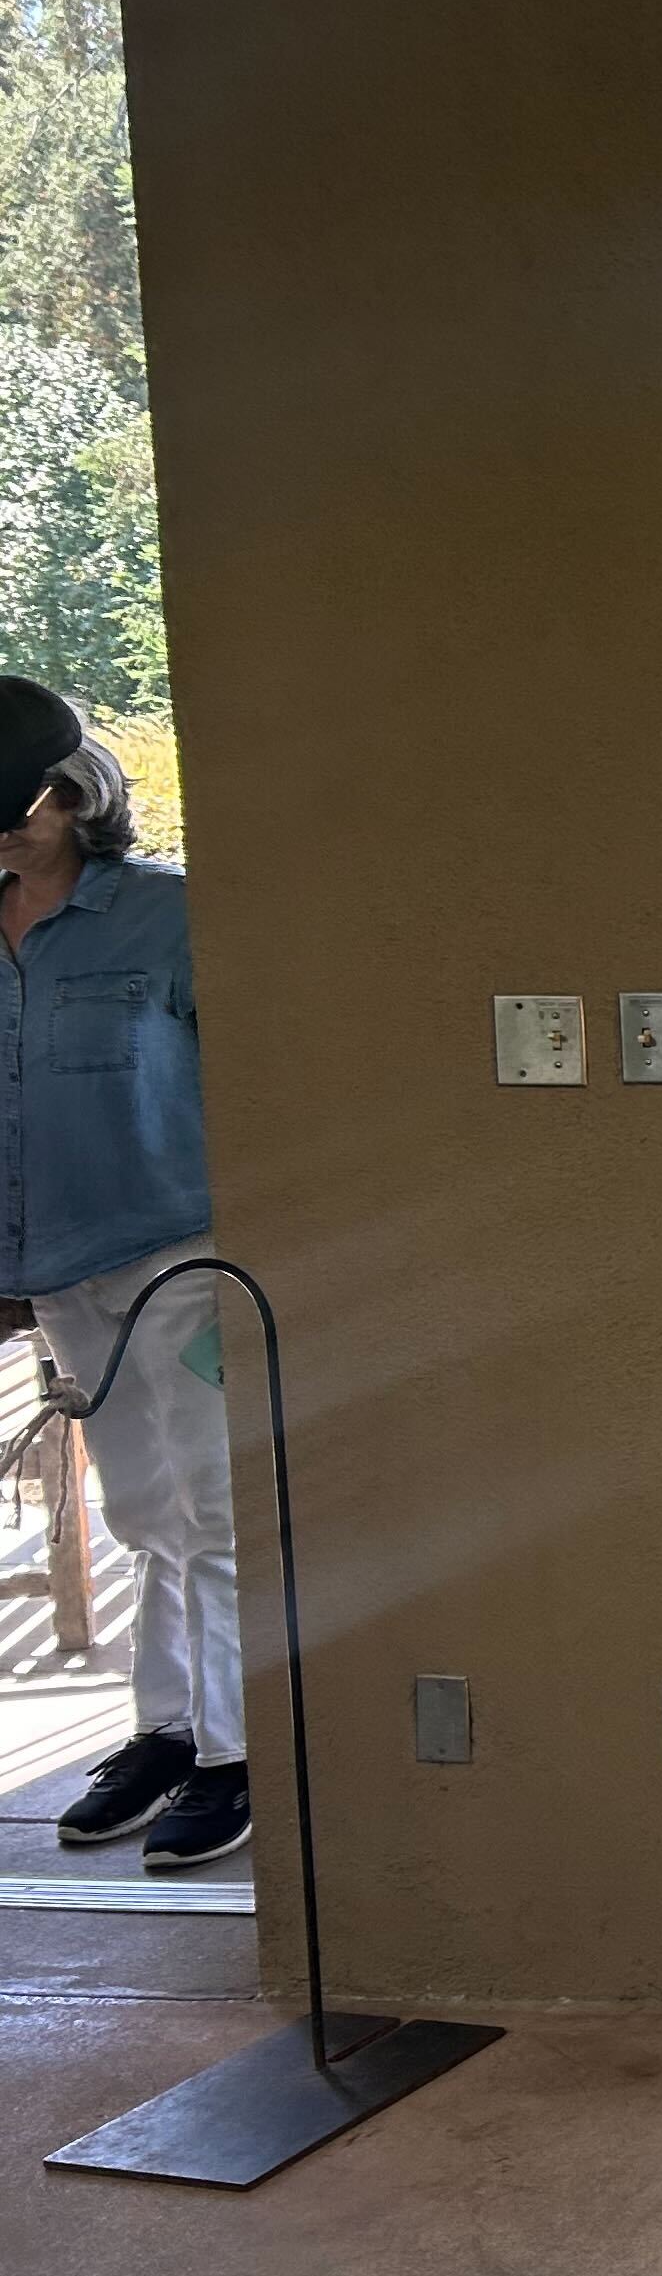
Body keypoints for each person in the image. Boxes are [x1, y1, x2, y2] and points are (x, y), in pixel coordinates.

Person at [0, 682, 250, 1872]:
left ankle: (234, 1753)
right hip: (49, 1265)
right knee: (144, 1510)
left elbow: (257, 1082)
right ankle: (166, 1732)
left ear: (76, 790)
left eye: (19, 805)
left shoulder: (170, 916)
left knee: (214, 1506)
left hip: (178, 1249)